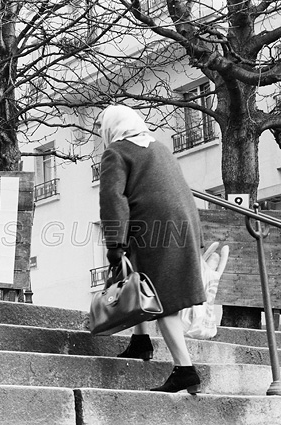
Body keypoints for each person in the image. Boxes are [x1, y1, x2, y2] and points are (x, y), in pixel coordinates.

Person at [98, 104, 206, 394]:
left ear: (111, 127)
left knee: (161, 298)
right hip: (184, 225)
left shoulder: (116, 153)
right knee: (144, 284)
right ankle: (141, 341)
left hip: (153, 227)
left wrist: (115, 245)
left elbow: (113, 200)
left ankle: (185, 370)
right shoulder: (160, 148)